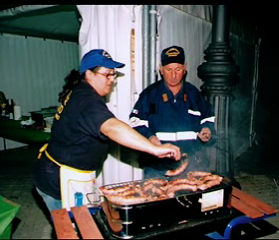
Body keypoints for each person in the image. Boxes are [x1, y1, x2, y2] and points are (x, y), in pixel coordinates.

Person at [33, 49, 181, 213]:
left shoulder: (83, 92)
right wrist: (153, 148)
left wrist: (147, 141)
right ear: (89, 74)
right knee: (74, 228)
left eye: (113, 74)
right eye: (107, 75)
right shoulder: (86, 100)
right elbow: (111, 127)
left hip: (68, 172)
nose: (112, 80)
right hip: (59, 179)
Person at [129, 45, 215, 179]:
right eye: (168, 69)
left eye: (178, 69)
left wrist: (207, 129)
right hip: (157, 166)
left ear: (185, 68)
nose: (173, 75)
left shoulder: (194, 94)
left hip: (190, 164)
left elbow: (208, 118)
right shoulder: (149, 95)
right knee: (156, 198)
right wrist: (149, 137)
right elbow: (135, 122)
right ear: (161, 69)